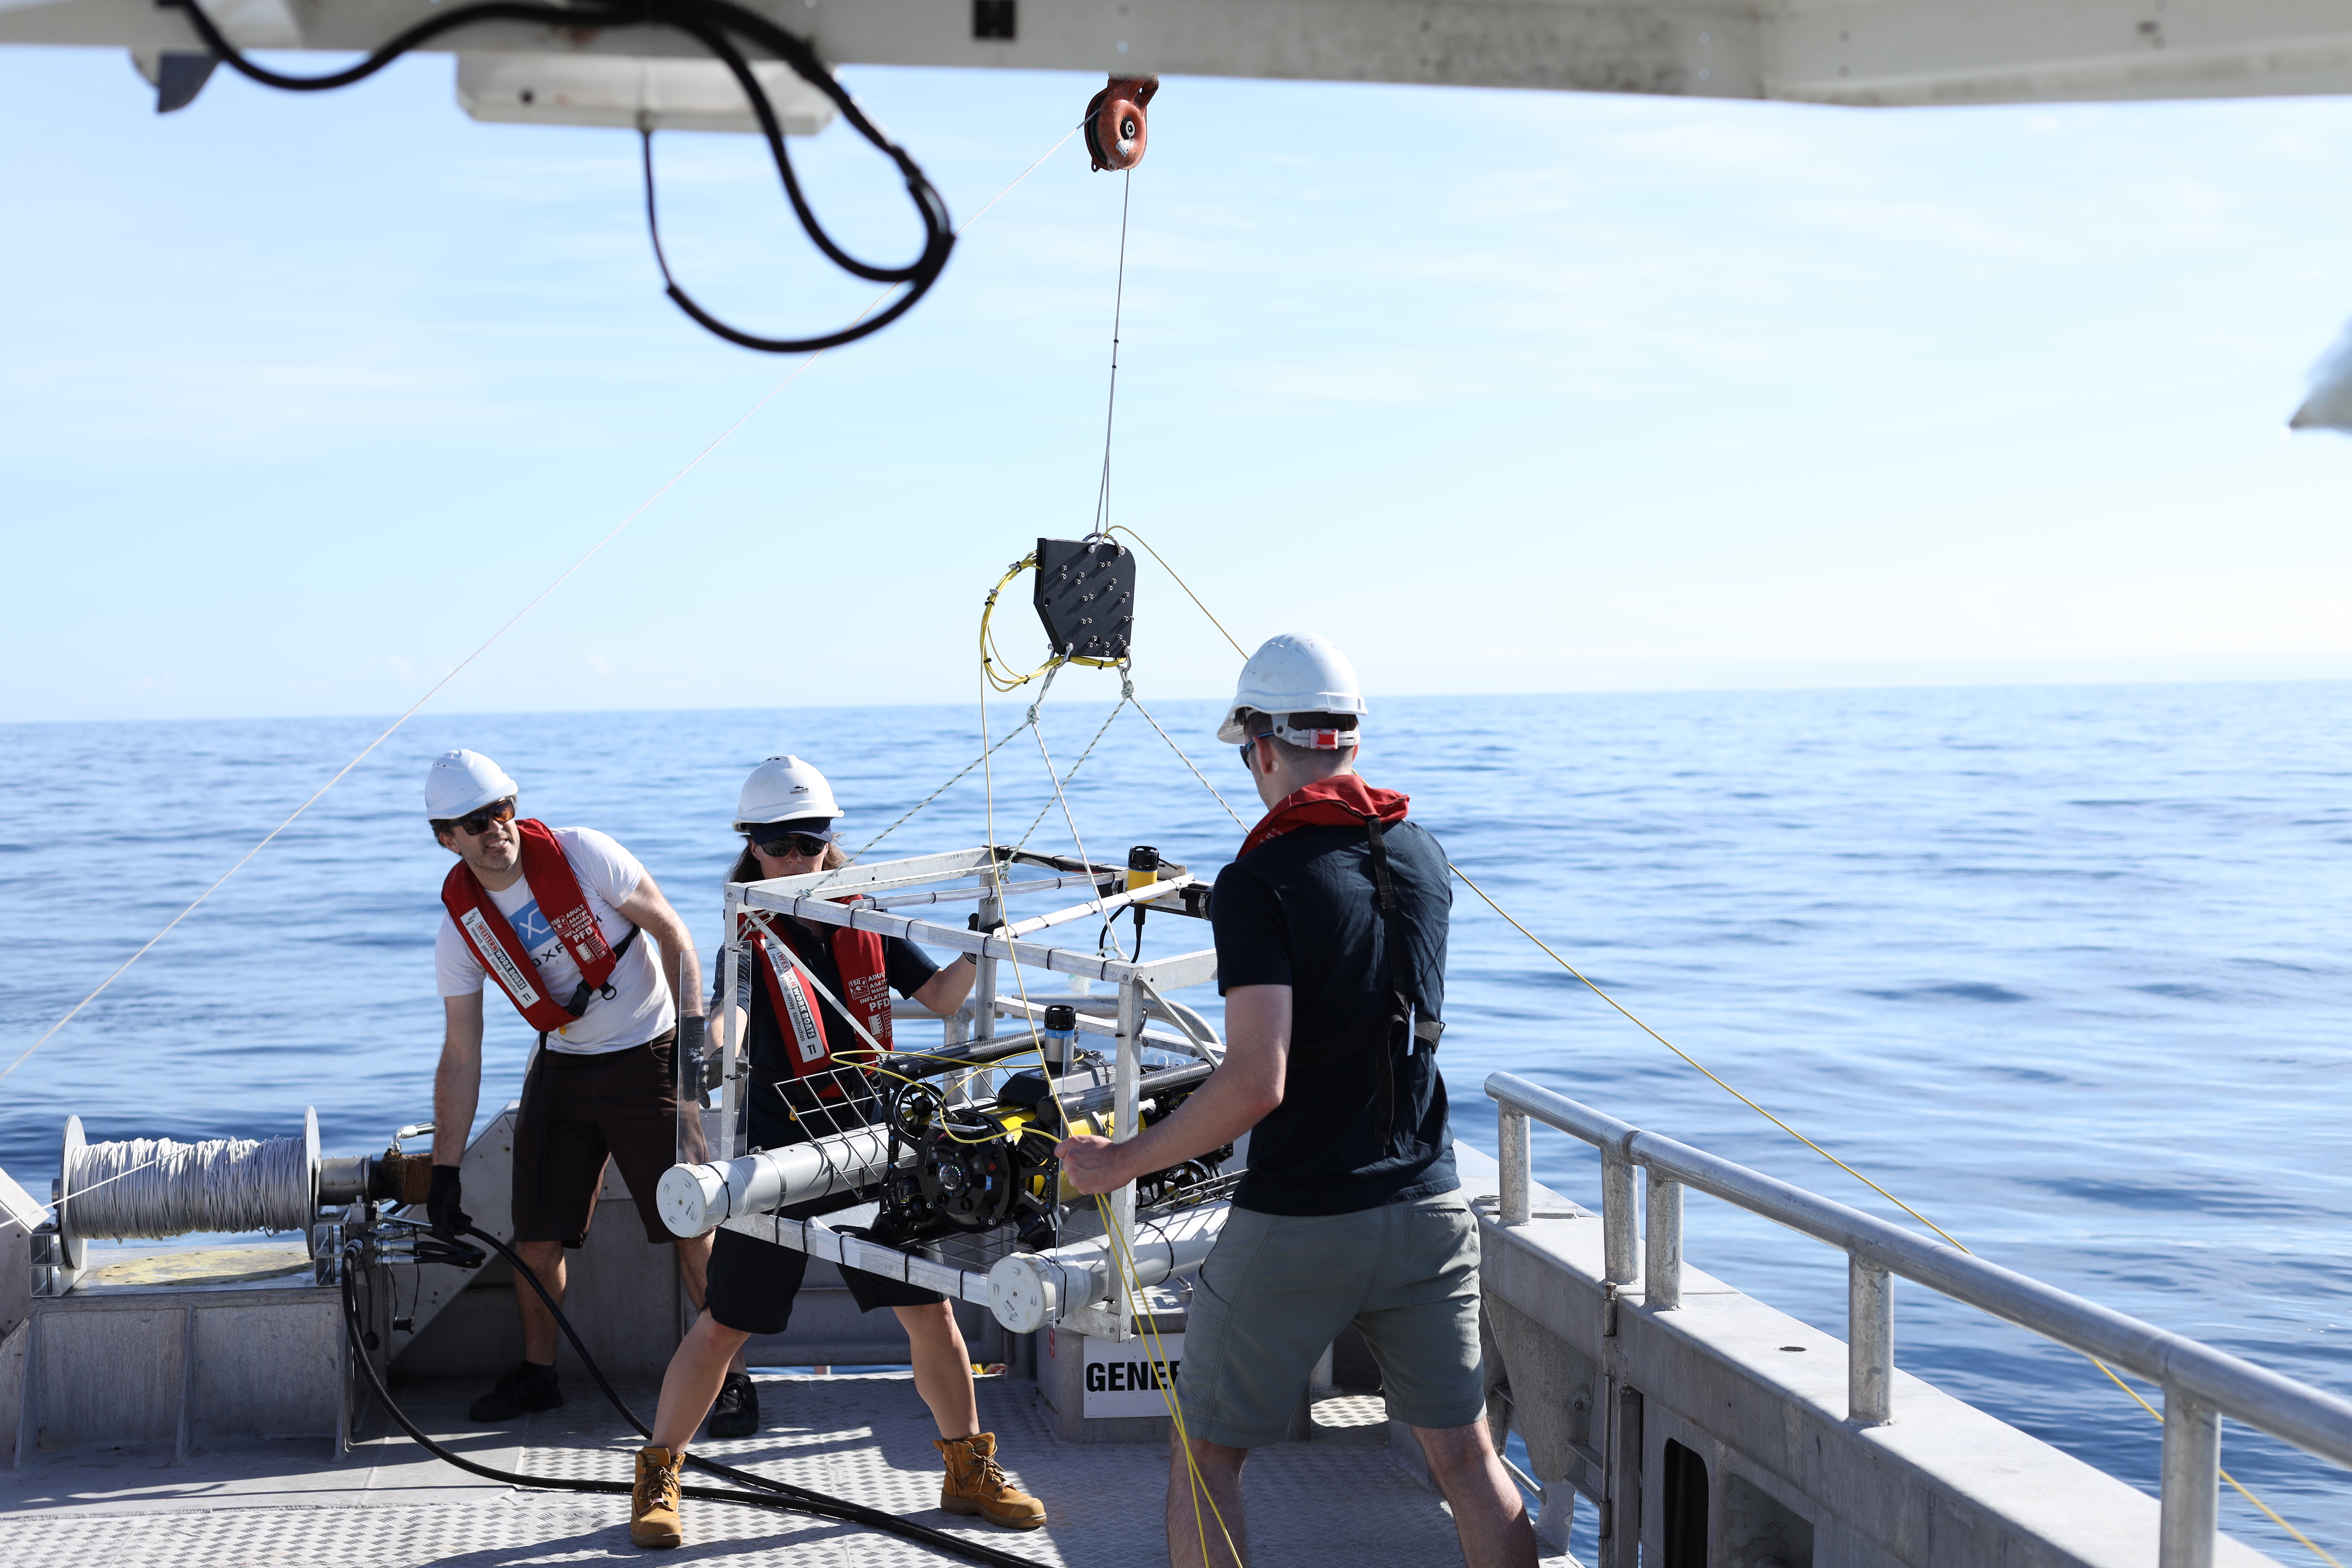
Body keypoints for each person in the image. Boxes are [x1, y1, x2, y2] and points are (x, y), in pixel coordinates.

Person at [1058, 635, 1536, 1568]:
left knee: (1207, 1455)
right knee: (1468, 1456)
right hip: (1430, 1208)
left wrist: (1117, 1163)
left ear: (1266, 746)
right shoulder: (1425, 857)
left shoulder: (1259, 883)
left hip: (1304, 1219)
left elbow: (1255, 1081)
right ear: (1350, 742)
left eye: (1244, 752)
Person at [628, 756, 1047, 1550]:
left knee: (933, 1311)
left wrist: (986, 943)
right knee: (723, 1324)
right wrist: (712, 1040)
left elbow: (943, 999)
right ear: (751, 847)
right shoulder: (746, 932)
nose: (795, 860)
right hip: (780, 1160)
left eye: (810, 843)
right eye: (778, 845)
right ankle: (658, 1475)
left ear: (830, 842)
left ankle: (968, 1468)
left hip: (873, 1147)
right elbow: (736, 1020)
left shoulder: (868, 919)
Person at [420, 749, 732, 1424]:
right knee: (535, 1231)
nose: (494, 827)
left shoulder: (585, 854)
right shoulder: (459, 928)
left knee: (692, 1221)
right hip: (562, 1066)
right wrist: (444, 1171)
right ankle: (539, 1375)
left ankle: (727, 1380)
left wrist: (690, 1043)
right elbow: (461, 1052)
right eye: (474, 822)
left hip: (650, 1054)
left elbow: (674, 935)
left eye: (501, 809)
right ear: (447, 839)